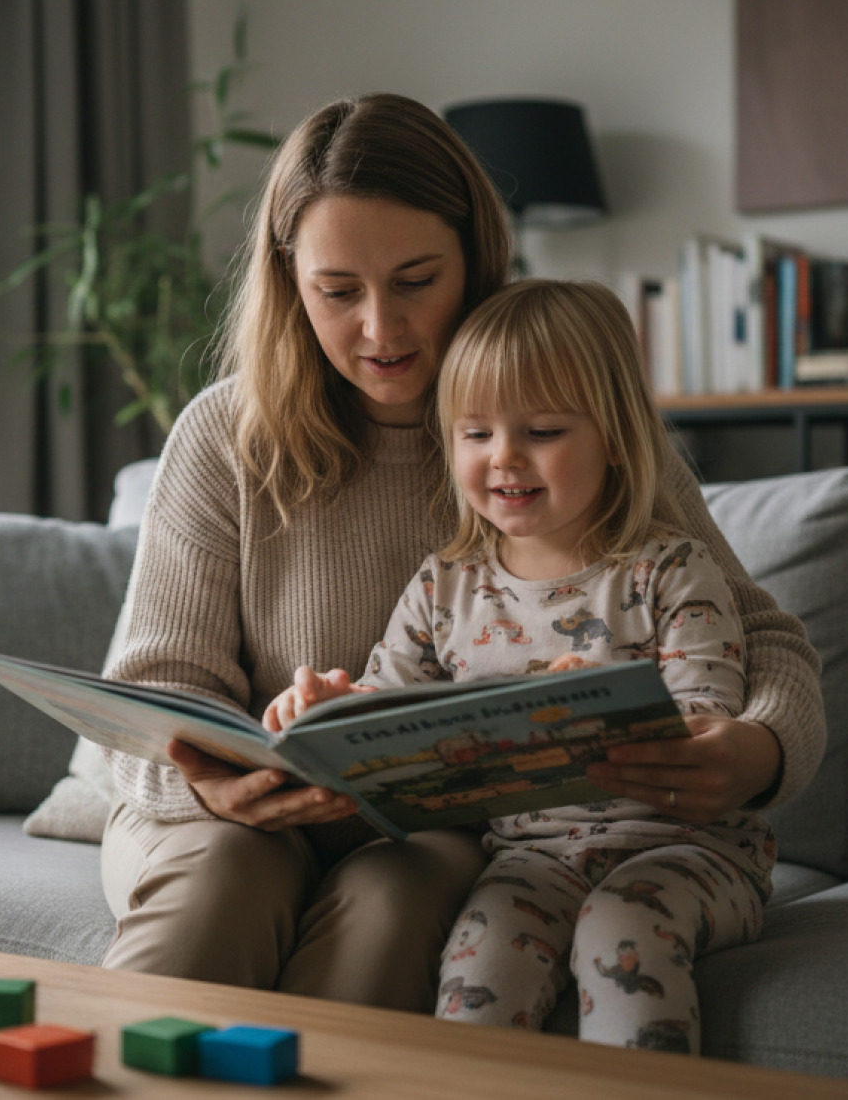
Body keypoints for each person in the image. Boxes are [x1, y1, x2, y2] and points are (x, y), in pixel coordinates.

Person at [98, 92, 823, 1016]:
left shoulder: (565, 436)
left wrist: (756, 751)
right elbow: (154, 689)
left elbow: (764, 639)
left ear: (476, 260)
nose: (381, 329)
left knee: (396, 905)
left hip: (423, 831)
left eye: (415, 280)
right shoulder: (222, 440)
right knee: (226, 885)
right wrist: (221, 784)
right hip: (216, 822)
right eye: (338, 291)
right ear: (290, 282)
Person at [265, 279, 772, 1051]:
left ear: (615, 434)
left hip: (687, 852)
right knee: (479, 966)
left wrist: (582, 709)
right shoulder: (446, 583)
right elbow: (386, 711)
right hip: (532, 859)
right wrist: (325, 707)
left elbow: (705, 722)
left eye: (540, 429)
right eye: (474, 434)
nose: (504, 456)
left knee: (618, 929)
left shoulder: (669, 569)